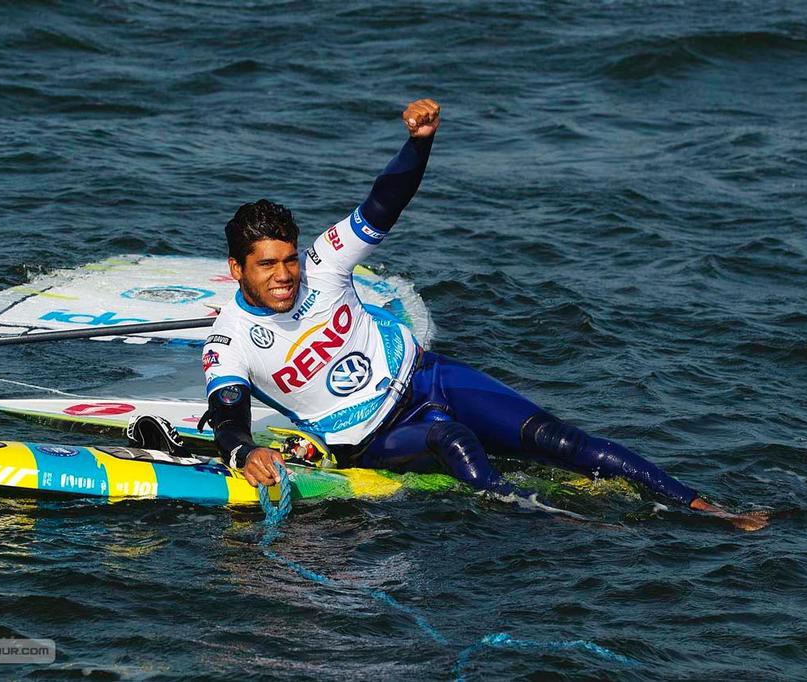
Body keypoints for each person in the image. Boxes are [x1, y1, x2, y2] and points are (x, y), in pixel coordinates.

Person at [200, 99, 767, 531]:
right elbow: (226, 416)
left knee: (554, 437)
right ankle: (553, 523)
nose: (284, 275)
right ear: (236, 270)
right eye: (268, 265)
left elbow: (383, 202)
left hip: (427, 376)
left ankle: (701, 505)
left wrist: (419, 144)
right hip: (373, 436)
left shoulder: (324, 262)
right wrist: (246, 451)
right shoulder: (229, 341)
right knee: (454, 438)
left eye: (289, 260)